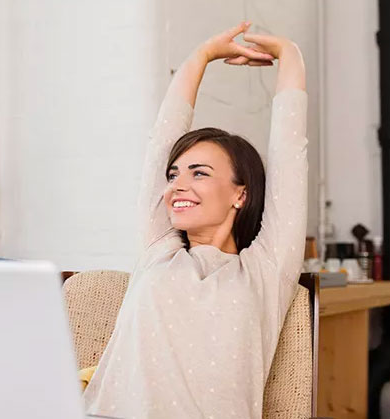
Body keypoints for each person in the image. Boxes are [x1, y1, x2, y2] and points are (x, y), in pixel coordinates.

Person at [81, 22, 308, 418]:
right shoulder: (158, 252)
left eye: (198, 173)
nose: (175, 187)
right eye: (174, 175)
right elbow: (160, 143)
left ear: (241, 193)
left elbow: (290, 154)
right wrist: (200, 56)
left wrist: (290, 54)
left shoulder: (265, 271)